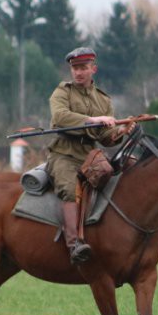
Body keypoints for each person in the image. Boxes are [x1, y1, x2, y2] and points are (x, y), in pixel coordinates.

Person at [46, 46, 130, 264]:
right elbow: (60, 117)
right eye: (75, 68)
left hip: (90, 155)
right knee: (68, 188)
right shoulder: (62, 92)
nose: (78, 72)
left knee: (117, 180)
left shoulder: (103, 100)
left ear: (94, 69)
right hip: (63, 154)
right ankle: (74, 244)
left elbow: (106, 137)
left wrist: (121, 132)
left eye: (83, 68)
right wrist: (92, 120)